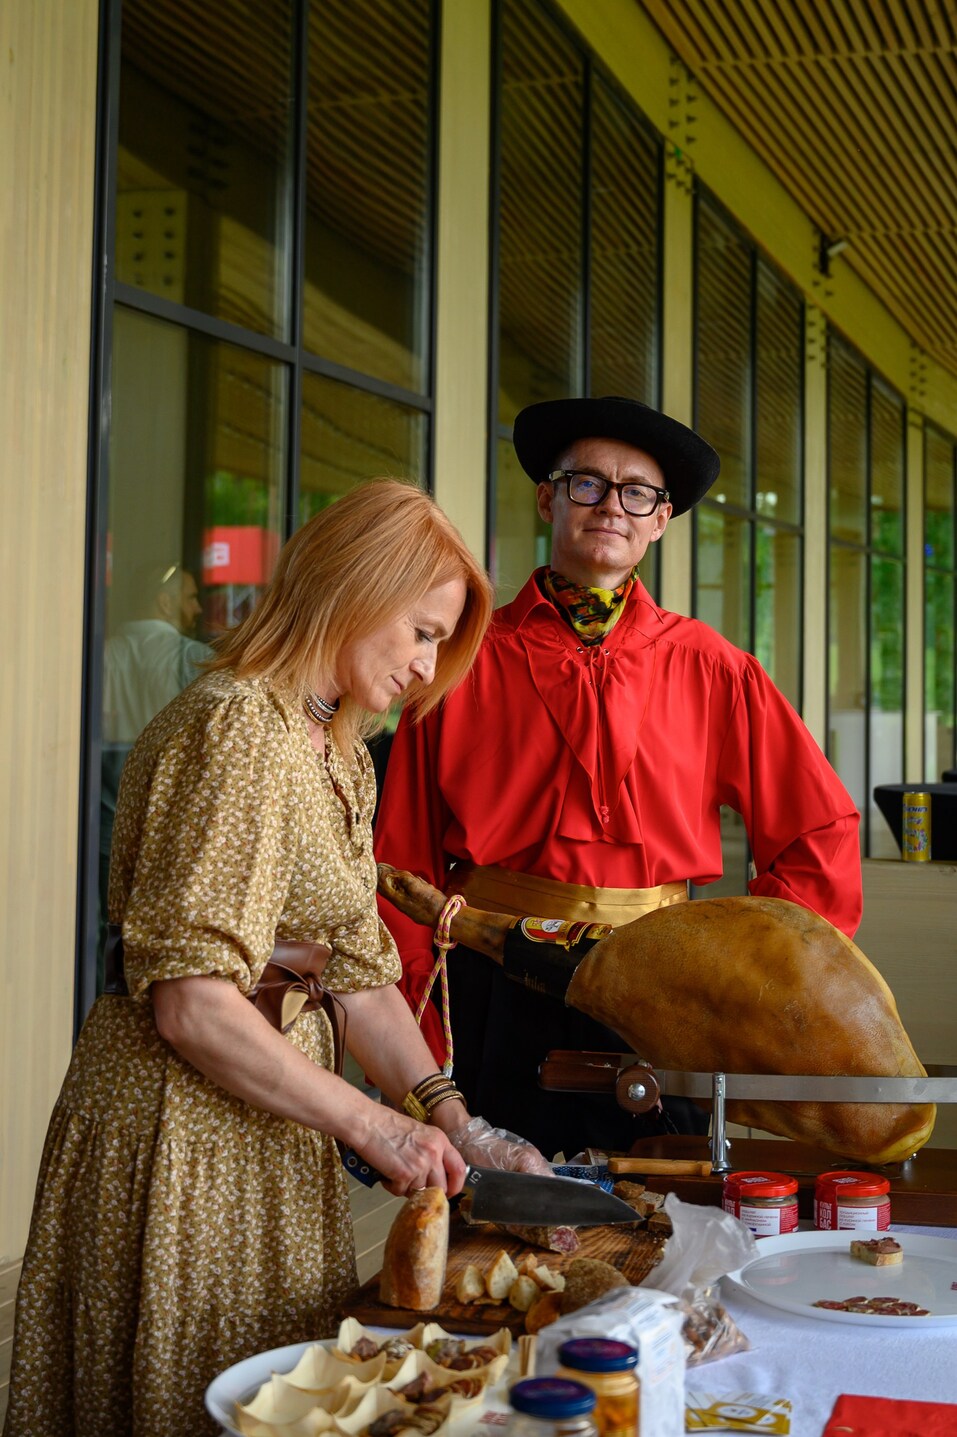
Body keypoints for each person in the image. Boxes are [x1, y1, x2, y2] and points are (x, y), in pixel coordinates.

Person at [5, 480, 550, 1437]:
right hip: (180, 1143)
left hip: (269, 1131)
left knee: (278, 1402)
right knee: (192, 1406)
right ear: (352, 587)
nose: (427, 667)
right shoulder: (236, 726)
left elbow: (356, 974)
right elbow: (192, 1005)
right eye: (421, 632)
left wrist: (452, 1117)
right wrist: (373, 1127)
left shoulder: (338, 747)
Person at [374, 396, 863, 1163]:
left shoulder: (714, 666)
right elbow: (397, 862)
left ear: (660, 519)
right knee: (496, 1222)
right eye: (587, 483)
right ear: (547, 496)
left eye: (638, 491)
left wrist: (751, 982)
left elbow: (817, 832)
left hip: (662, 994)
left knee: (667, 1216)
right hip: (488, 984)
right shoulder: (459, 658)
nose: (612, 505)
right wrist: (413, 1036)